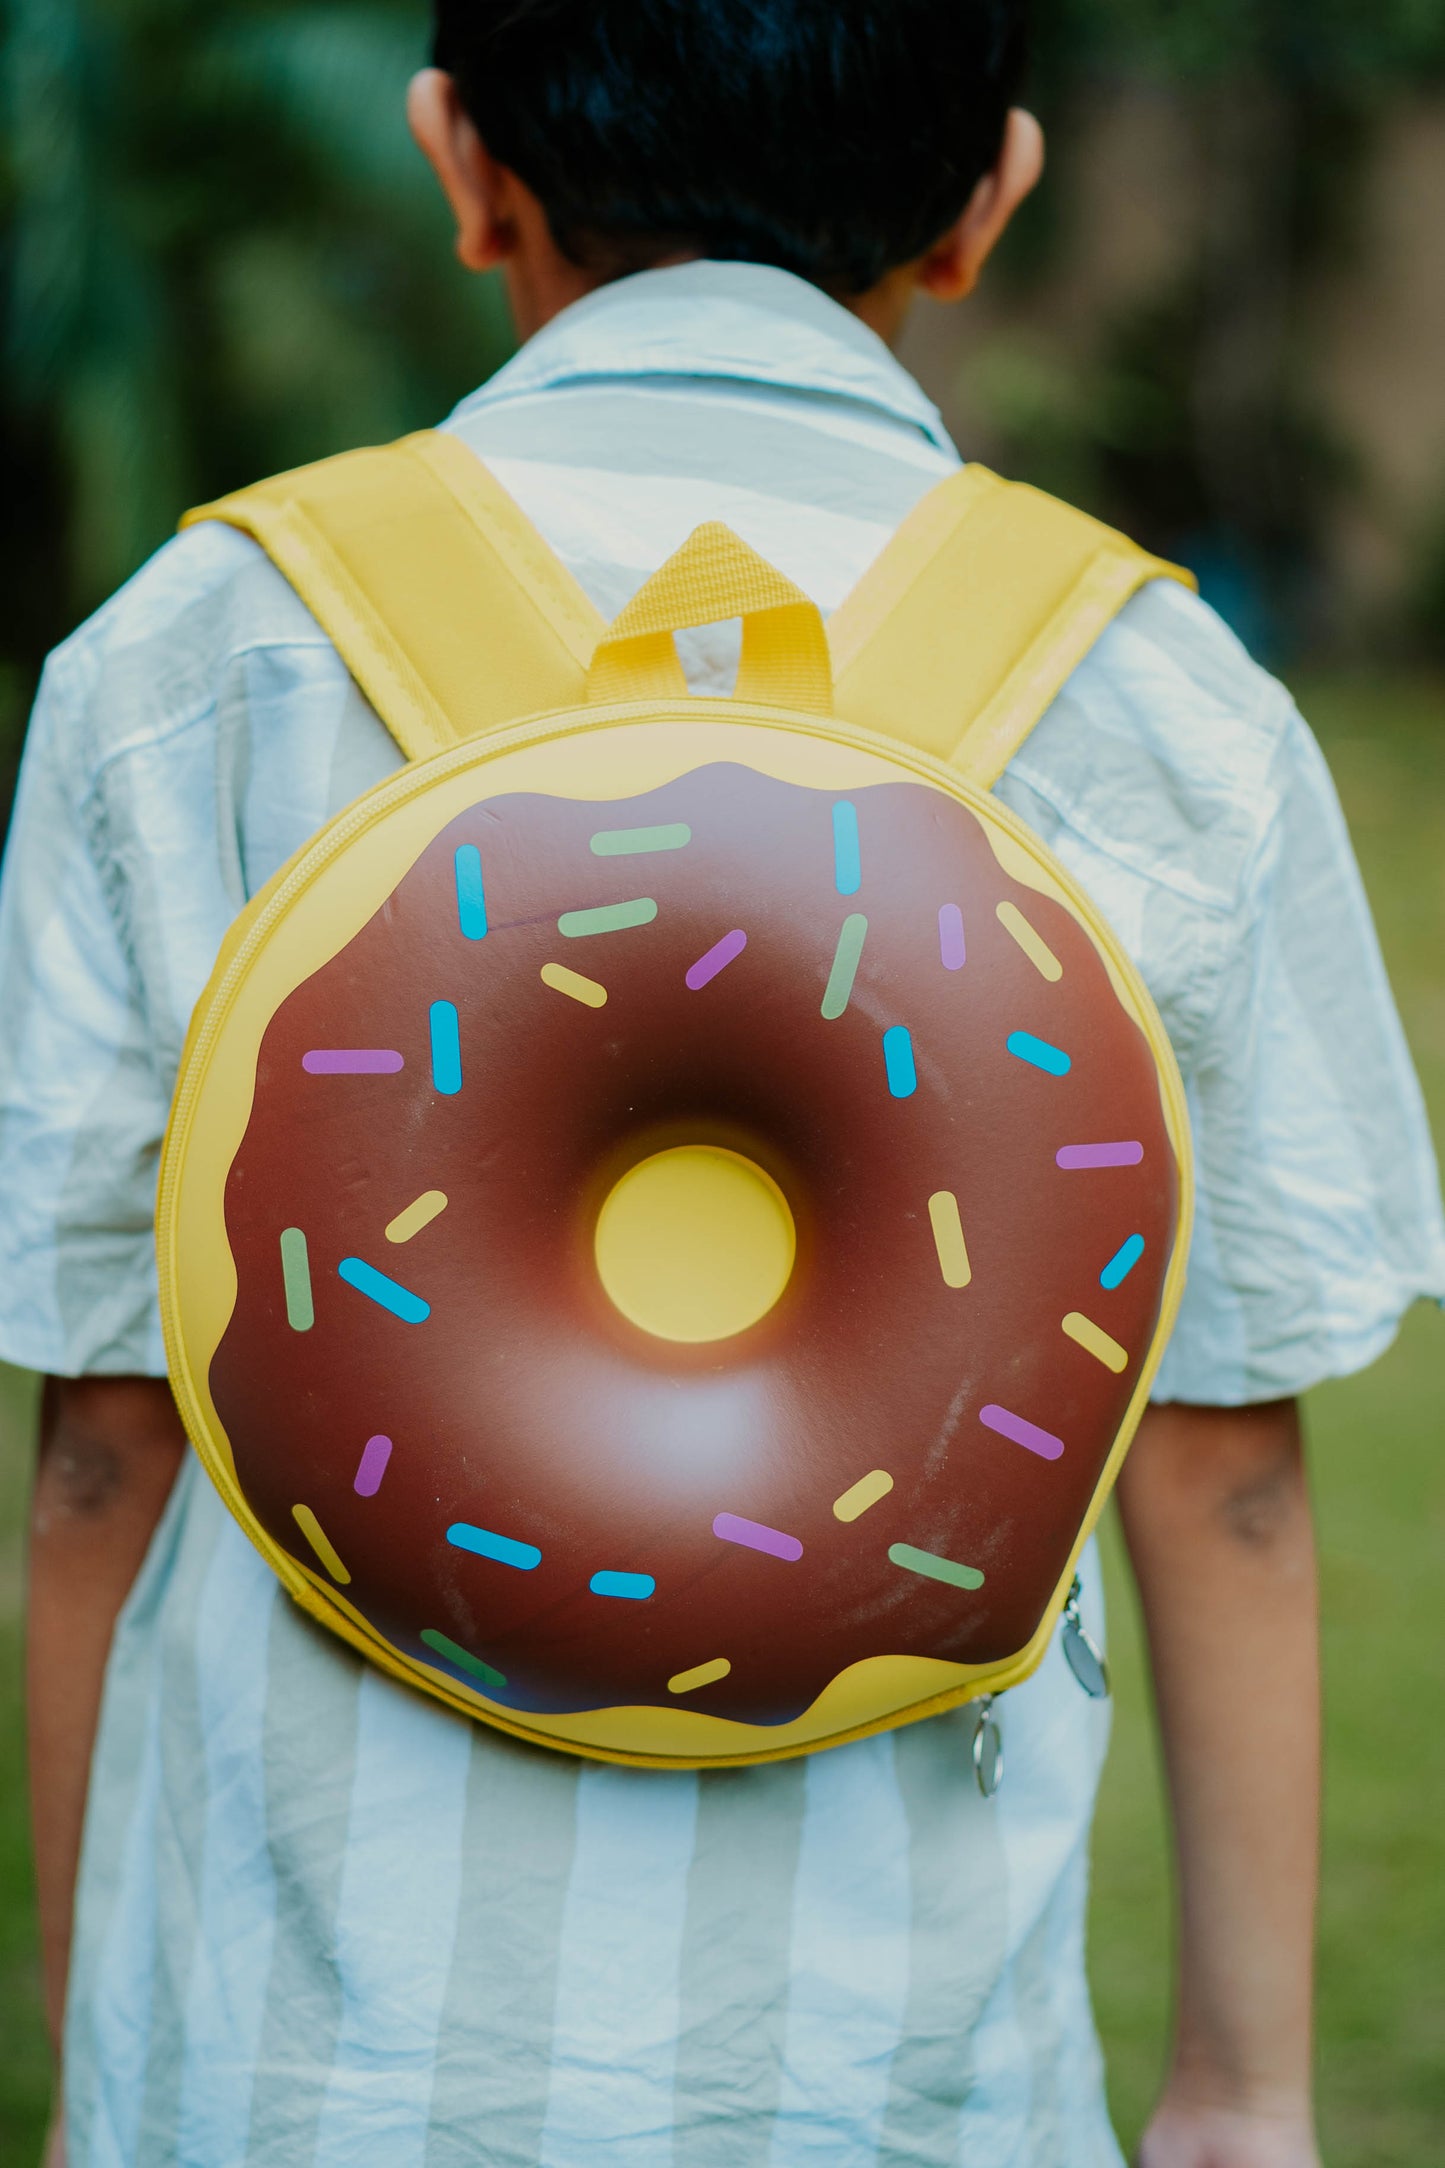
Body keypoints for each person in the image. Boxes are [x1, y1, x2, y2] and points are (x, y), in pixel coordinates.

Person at [3, 5, 1442, 2164]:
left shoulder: (189, 655)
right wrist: (1241, 2089)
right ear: (988, 205)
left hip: (297, 2052)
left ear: (459, 157)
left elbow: (106, 1439)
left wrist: (98, 2009)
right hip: (890, 2076)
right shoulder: (1167, 708)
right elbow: (1222, 1469)